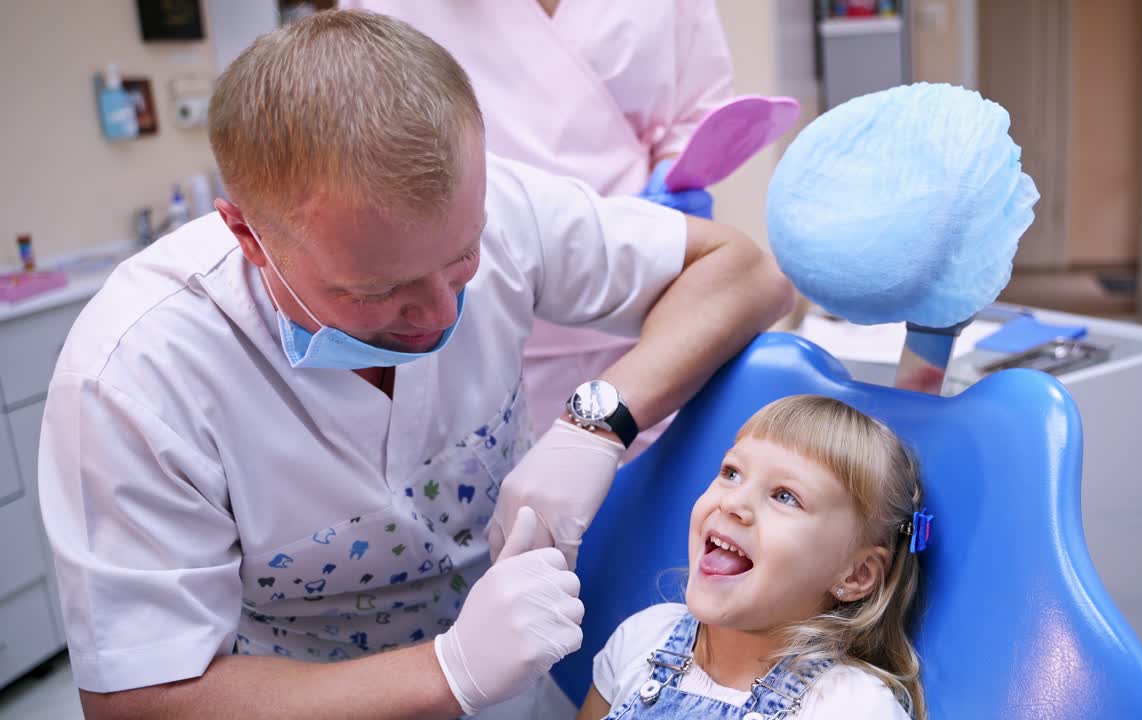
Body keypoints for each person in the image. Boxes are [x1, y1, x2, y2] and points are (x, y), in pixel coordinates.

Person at [38, 10, 793, 719]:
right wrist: (449, 670)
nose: (438, 314)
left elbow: (747, 275)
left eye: (462, 259)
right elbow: (140, 700)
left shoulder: (508, 209)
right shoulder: (134, 378)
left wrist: (598, 421)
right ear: (246, 235)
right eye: (378, 290)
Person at [342, 0, 738, 454]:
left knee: (647, 487)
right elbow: (364, 133)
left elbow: (701, 105)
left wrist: (676, 172)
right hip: (481, 288)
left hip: (639, 268)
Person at [577, 395, 929, 720]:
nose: (732, 503)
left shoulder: (852, 707)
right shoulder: (644, 637)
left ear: (856, 575)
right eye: (732, 473)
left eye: (785, 496)